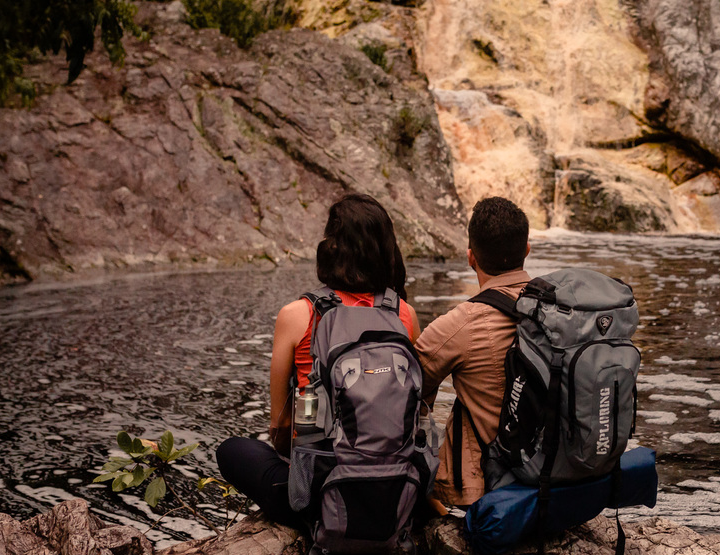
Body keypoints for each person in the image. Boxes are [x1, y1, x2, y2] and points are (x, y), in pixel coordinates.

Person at [216, 193, 420, 528]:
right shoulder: (404, 315)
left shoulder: (298, 314)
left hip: (320, 501)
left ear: (331, 248)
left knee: (232, 450)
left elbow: (281, 428)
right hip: (394, 497)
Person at [417, 196, 530, 508]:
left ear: (470, 257)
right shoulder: (563, 308)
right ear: (528, 250)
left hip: (486, 490)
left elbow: (408, 389)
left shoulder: (457, 324)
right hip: (560, 475)